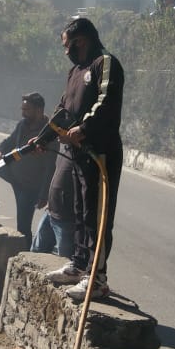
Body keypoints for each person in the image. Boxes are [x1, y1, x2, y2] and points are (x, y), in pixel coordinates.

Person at [44, 16, 124, 301]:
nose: (66, 51)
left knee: (98, 214)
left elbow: (106, 101)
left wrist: (84, 128)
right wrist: (43, 137)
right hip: (78, 153)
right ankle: (79, 264)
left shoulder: (105, 63)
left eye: (68, 45)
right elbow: (63, 110)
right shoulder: (75, 71)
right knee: (80, 211)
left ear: (82, 41)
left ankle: (97, 278)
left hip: (100, 153)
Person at [0, 92, 56, 236]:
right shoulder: (22, 125)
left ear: (39, 110)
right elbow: (8, 142)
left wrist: (44, 195)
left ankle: (25, 249)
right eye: (22, 109)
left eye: (26, 110)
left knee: (23, 228)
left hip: (29, 188)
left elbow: (50, 167)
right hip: (12, 172)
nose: (23, 113)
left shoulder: (49, 133)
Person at [30, 152, 74, 258]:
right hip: (50, 210)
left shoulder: (81, 152)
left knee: (64, 259)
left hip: (67, 218)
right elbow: (56, 173)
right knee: (36, 252)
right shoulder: (63, 148)